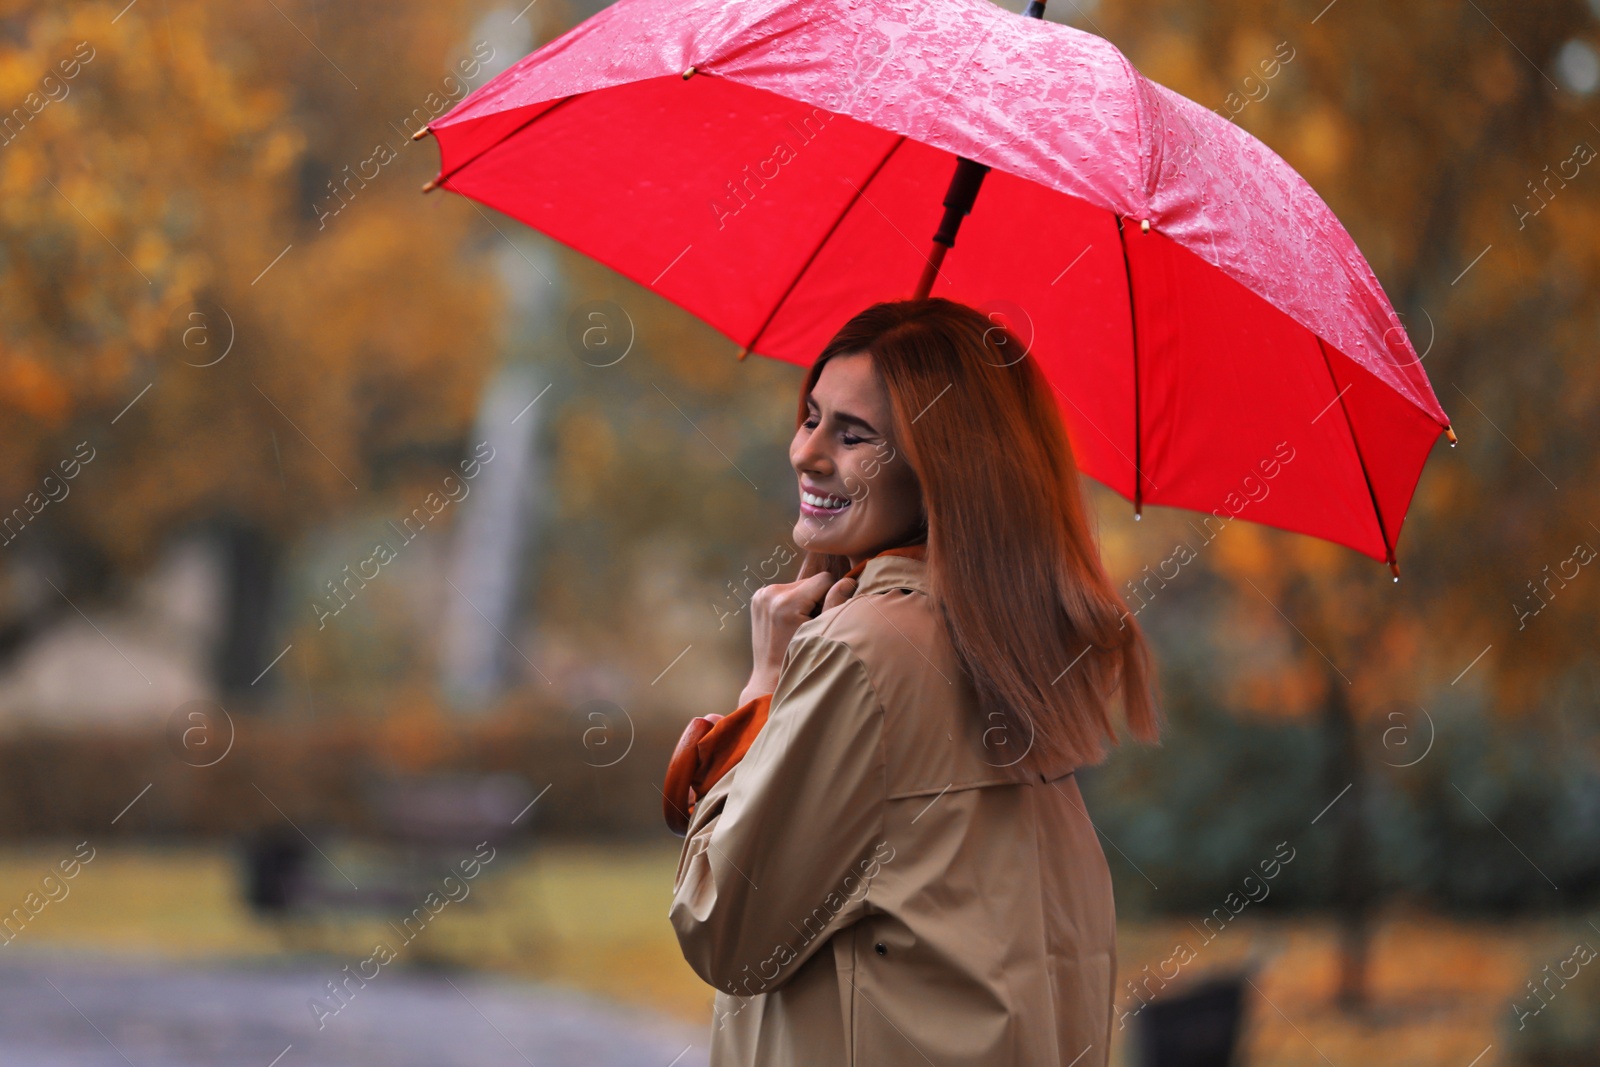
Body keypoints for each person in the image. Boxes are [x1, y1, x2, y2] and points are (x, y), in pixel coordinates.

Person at [667, 298, 1161, 1066]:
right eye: (811, 416)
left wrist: (764, 687)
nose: (807, 453)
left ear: (942, 467)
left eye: (855, 434)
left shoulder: (865, 653)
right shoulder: (1016, 645)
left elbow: (724, 925)